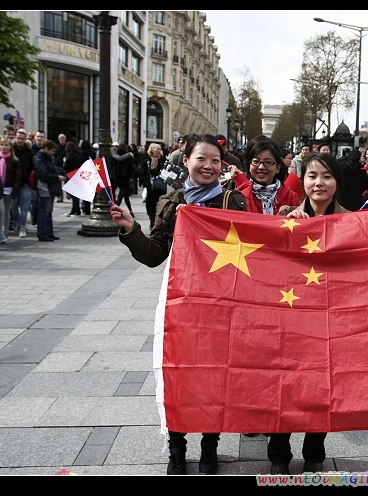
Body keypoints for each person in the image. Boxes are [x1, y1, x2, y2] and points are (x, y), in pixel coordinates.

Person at [110, 134, 247, 475]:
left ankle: (210, 447)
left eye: (215, 160)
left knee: (216, 377)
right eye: (201, 158)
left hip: (222, 305)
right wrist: (131, 230)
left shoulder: (234, 202)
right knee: (178, 376)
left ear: (223, 166)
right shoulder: (171, 202)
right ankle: (177, 447)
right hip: (181, 305)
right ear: (186, 161)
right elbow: (155, 254)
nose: (208, 166)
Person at [273, 152, 349, 475]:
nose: (319, 183)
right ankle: (278, 453)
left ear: (337, 183)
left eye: (327, 176)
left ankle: (315, 450)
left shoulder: (351, 221)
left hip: (331, 317)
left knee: (322, 384)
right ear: (302, 181)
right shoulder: (286, 216)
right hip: (291, 313)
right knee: (283, 383)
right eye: (312, 176)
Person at [230, 138, 300, 215]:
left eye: (268, 162)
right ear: (249, 165)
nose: (261, 167)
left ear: (277, 168)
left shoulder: (291, 197)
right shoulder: (238, 197)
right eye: (256, 161)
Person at [0, 137, 22, 245]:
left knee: (7, 212)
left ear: (10, 147)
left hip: (9, 189)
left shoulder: (14, 160)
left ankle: (5, 232)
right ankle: (1, 234)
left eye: (7, 145)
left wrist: (15, 190)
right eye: (2, 145)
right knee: (0, 211)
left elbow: (17, 177)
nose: (4, 147)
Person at [33, 140, 64, 242]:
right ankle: (42, 233)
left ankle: (49, 232)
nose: (53, 153)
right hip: (44, 187)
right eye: (52, 151)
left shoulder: (48, 158)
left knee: (49, 211)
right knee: (44, 210)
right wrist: (56, 177)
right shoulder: (39, 158)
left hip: (50, 187)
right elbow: (42, 173)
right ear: (46, 149)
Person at [12, 129, 35, 238]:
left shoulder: (29, 152)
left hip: (25, 184)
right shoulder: (11, 150)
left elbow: (33, 167)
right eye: (18, 138)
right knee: (13, 209)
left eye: (22, 138)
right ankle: (16, 224)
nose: (20, 140)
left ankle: (22, 227)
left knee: (25, 207)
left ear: (25, 139)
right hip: (13, 184)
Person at [139, 142, 167, 231]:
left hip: (160, 188)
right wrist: (145, 183)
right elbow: (142, 173)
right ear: (151, 150)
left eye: (159, 149)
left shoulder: (163, 161)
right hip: (150, 189)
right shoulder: (146, 161)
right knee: (150, 207)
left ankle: (156, 225)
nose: (159, 151)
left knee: (160, 207)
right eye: (157, 149)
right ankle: (152, 222)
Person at [113, 143, 135, 216]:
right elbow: (131, 167)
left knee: (125, 195)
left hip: (118, 175)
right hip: (125, 176)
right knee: (122, 194)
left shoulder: (117, 156)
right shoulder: (128, 157)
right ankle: (115, 208)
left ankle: (130, 210)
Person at [63, 141, 85, 216]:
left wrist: (64, 161)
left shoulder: (69, 155)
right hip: (77, 175)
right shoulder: (78, 155)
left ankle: (76, 210)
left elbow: (65, 166)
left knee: (73, 194)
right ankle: (74, 209)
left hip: (70, 175)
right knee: (75, 194)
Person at [54, 134, 68, 202]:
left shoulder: (67, 147)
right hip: (58, 165)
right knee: (58, 182)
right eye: (60, 139)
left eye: (63, 139)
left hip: (65, 166)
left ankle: (68, 193)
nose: (62, 140)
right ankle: (60, 196)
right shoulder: (56, 147)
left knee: (66, 180)